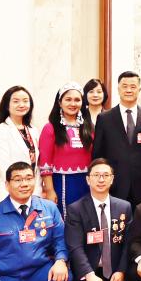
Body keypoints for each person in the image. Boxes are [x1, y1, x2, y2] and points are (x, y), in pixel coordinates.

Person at [63, 159, 133, 281]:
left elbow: (128, 244)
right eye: (96, 175)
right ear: (88, 179)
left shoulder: (124, 207)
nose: (101, 179)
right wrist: (89, 275)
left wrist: (121, 271)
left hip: (115, 272)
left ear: (112, 179)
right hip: (91, 271)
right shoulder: (76, 209)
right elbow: (75, 247)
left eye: (105, 175)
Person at [92, 71, 141, 206]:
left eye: (133, 87)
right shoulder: (105, 118)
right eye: (125, 86)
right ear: (118, 89)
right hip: (114, 184)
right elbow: (98, 154)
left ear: (139, 89)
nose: (128, 90)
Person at [39, 82, 92, 216]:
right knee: (66, 218)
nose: (73, 104)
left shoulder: (89, 128)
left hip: (87, 182)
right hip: (62, 183)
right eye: (68, 99)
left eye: (77, 100)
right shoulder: (50, 128)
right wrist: (50, 190)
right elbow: (45, 163)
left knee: (85, 218)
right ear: (60, 102)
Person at [0, 86, 41, 201]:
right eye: (16, 101)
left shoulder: (33, 130)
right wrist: (20, 185)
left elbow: (36, 163)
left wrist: (34, 186)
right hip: (10, 189)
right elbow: (3, 165)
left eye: (25, 101)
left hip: (32, 189)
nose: (21, 105)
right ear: (7, 105)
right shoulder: (1, 130)